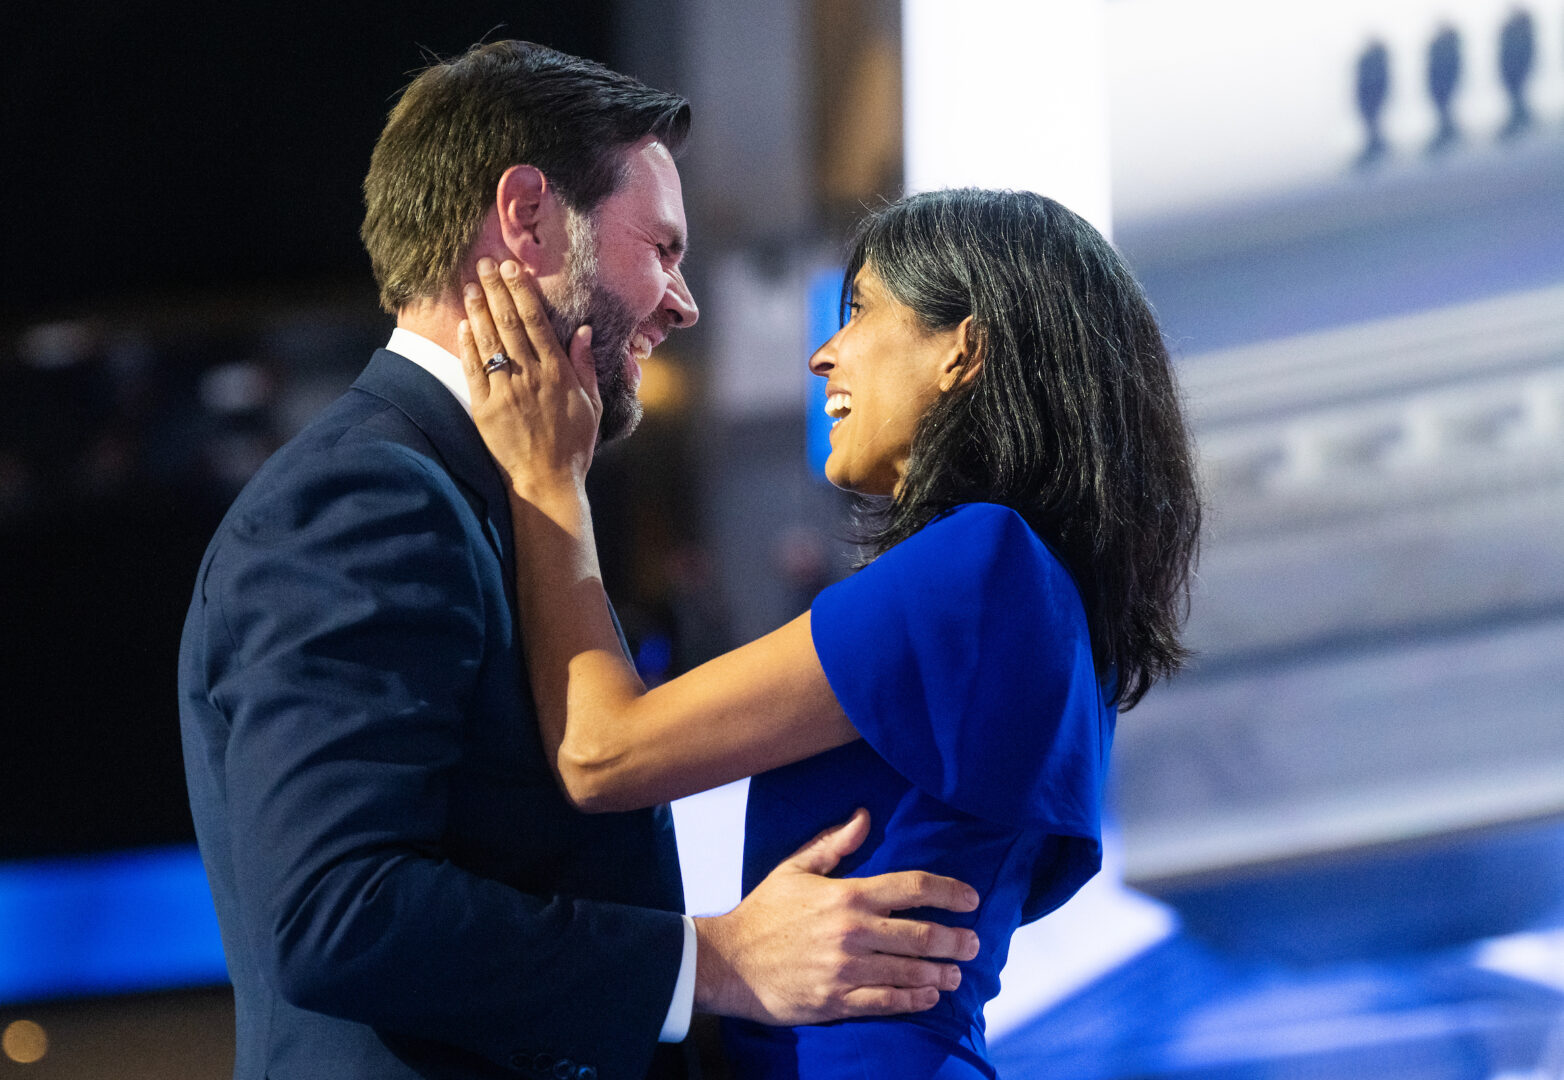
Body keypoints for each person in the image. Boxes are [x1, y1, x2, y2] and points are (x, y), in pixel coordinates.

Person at [177, 41, 982, 1080]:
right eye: (662, 247)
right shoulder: (367, 497)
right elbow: (339, 913)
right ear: (524, 217)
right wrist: (714, 963)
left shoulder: (481, 485)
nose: (682, 302)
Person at [457, 187, 1204, 1079]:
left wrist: (550, 480)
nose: (823, 354)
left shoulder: (981, 563)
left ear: (964, 349)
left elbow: (600, 752)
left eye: (859, 311)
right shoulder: (1052, 601)